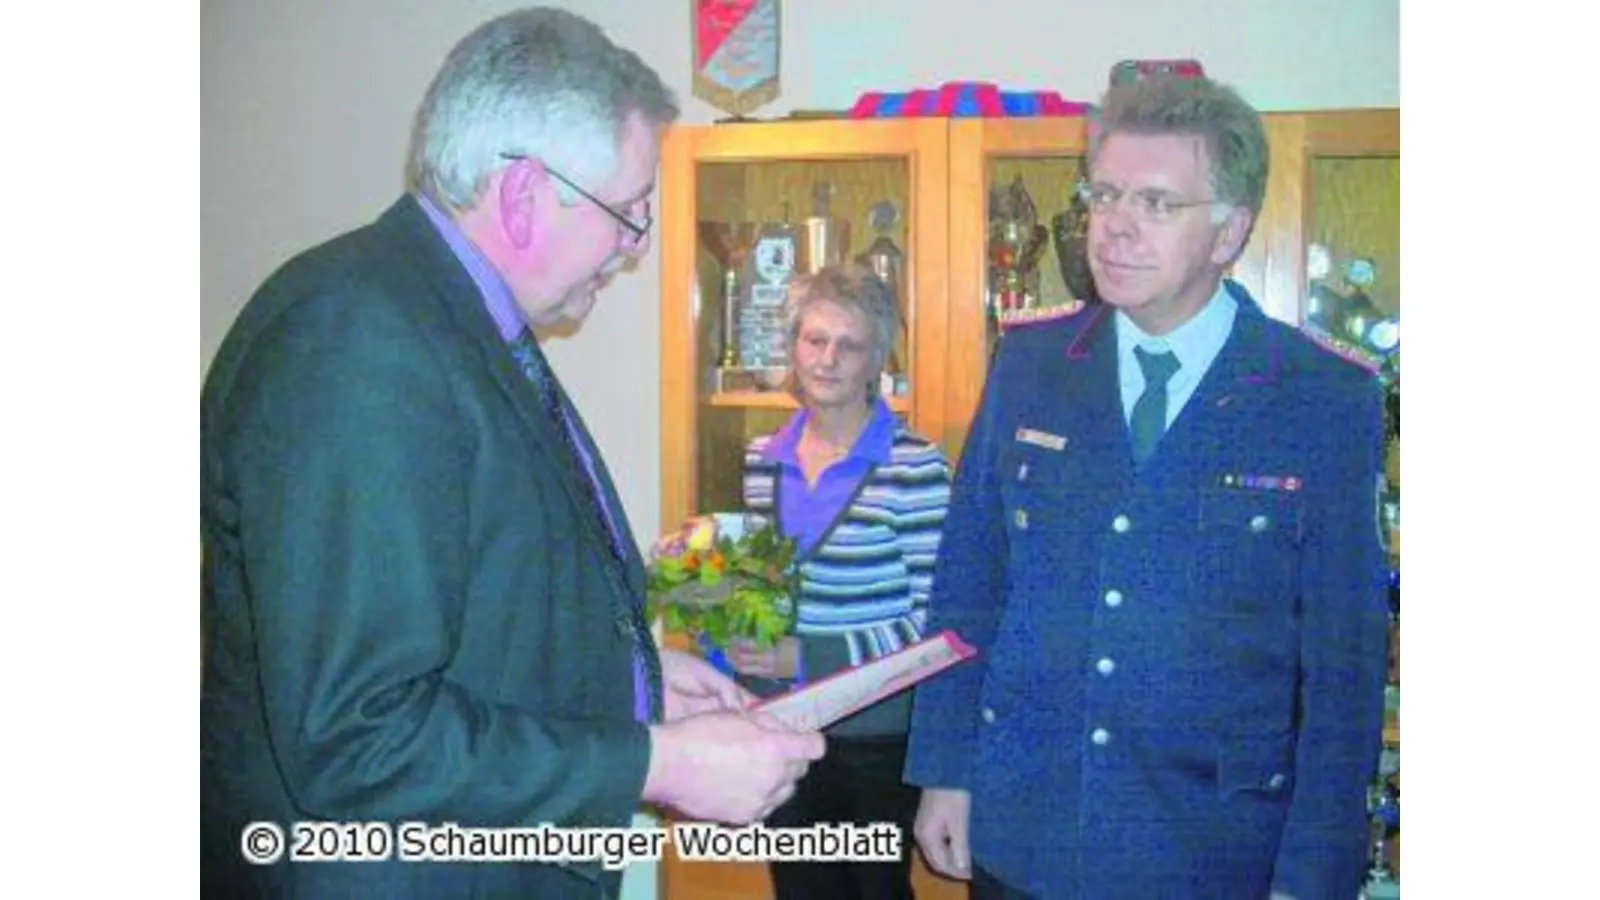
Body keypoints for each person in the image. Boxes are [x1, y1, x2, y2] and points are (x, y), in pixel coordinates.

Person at [200, 8, 824, 898]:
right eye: (629, 209)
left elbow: (480, 610)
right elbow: (358, 738)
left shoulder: (446, 323)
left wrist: (629, 686)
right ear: (526, 194)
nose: (636, 246)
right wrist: (650, 762)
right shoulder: (357, 343)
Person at [904, 74, 1390, 900]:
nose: (1117, 227)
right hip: (1027, 830)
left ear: (1230, 231)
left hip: (1211, 848)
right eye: (1105, 195)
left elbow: (1343, 668)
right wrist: (946, 767)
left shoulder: (1321, 396)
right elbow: (970, 580)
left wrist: (1314, 874)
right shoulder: (1031, 364)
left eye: (1159, 204)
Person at [724, 263, 953, 900]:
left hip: (875, 738)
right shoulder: (761, 460)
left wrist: (809, 654)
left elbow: (934, 625)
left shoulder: (915, 467)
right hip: (781, 728)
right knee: (799, 892)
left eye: (847, 345)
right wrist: (731, 630)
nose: (826, 359)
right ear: (793, 348)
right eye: (813, 340)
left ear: (876, 359)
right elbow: (765, 593)